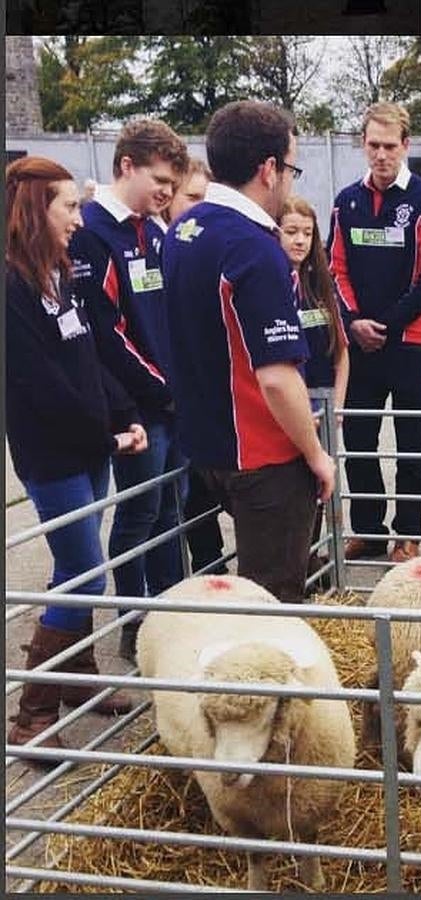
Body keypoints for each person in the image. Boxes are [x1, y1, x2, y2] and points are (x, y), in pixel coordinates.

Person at [162, 100, 336, 604]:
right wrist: (316, 454)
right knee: (271, 601)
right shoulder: (256, 247)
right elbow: (277, 376)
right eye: (292, 169)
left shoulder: (183, 230)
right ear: (269, 169)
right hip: (262, 454)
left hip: (207, 445)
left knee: (235, 593)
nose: (289, 182)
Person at [6, 157, 147, 748]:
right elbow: (41, 386)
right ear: (36, 210)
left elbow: (87, 360)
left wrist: (125, 413)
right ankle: (32, 716)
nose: (78, 219)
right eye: (69, 207)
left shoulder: (57, 276)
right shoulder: (12, 288)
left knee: (78, 567)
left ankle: (78, 672)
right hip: (53, 455)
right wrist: (104, 438)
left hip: (89, 447)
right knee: (84, 573)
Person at [69, 119, 189, 661]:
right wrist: (160, 388)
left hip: (172, 399)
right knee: (140, 513)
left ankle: (171, 613)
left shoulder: (152, 230)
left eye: (172, 184)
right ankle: (134, 620)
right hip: (138, 405)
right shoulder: (93, 233)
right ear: (126, 166)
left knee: (171, 511)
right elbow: (106, 331)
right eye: (159, 179)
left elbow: (170, 313)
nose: (166, 192)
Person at [327, 102, 421, 564]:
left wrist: (387, 325)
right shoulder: (347, 202)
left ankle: (408, 535)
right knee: (359, 443)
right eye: (373, 145)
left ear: (406, 145)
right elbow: (334, 268)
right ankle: (369, 530)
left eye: (390, 146)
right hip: (360, 346)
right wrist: (353, 322)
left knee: (410, 445)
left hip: (408, 346)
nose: (381, 155)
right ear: (363, 144)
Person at [160, 158, 229, 576]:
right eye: (192, 197)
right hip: (165, 395)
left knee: (202, 488)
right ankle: (202, 571)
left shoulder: (204, 249)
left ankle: (212, 569)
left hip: (203, 393)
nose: (199, 207)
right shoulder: (163, 247)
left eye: (206, 198)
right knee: (175, 500)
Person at [279, 196, 350, 594]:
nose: (300, 241)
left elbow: (342, 353)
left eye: (307, 233)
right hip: (289, 403)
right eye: (291, 231)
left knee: (322, 487)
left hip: (323, 402)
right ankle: (298, 566)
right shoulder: (270, 286)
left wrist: (337, 405)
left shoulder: (321, 286)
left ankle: (314, 560)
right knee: (292, 489)